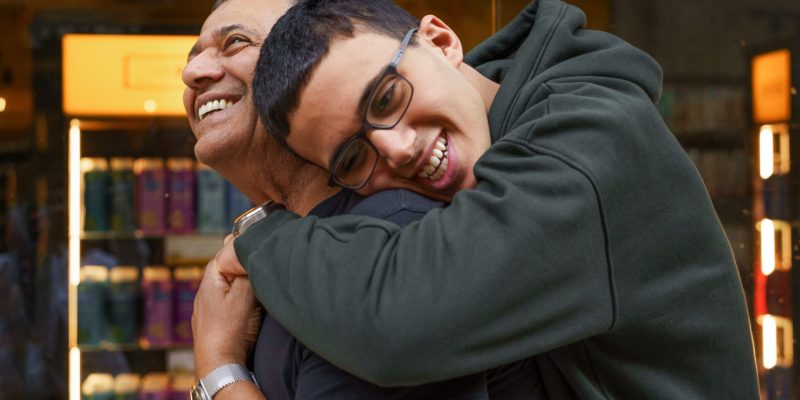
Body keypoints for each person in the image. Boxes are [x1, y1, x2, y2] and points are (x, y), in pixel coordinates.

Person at [214, 0, 761, 398]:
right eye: (355, 157)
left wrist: (261, 240)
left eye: (386, 97)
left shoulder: (592, 140)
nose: (398, 149)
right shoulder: (491, 134)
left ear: (441, 42)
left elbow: (401, 327)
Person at [184, 0, 544, 398]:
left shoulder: (395, 239)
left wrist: (218, 369)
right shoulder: (297, 248)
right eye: (352, 155)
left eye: (235, 42)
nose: (191, 72)